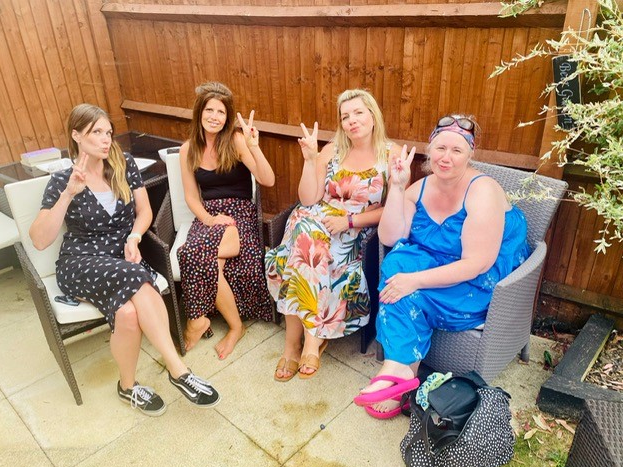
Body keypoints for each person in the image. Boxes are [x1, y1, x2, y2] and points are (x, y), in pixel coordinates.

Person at [30, 103, 220, 416]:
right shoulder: (62, 180)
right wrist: (68, 194)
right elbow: (39, 239)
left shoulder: (123, 165)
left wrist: (134, 237)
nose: (106, 140)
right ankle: (179, 371)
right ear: (76, 135)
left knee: (129, 314)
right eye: (96, 133)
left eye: (108, 132)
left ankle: (127, 387)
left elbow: (144, 212)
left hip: (123, 257)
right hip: (80, 264)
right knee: (137, 277)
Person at [353, 115, 531, 419]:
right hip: (442, 261)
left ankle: (398, 371)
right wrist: (397, 187)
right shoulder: (420, 187)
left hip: (479, 280)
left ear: (470, 154)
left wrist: (415, 281)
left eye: (457, 150)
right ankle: (400, 372)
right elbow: (389, 236)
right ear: (430, 149)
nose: (446, 157)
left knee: (405, 290)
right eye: (440, 148)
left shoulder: (482, 190)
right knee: (396, 264)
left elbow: (476, 264)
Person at [266, 89, 401, 381]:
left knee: (304, 249)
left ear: (373, 115)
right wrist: (309, 160)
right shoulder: (333, 150)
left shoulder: (392, 154)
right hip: (314, 221)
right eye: (345, 116)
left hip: (354, 231)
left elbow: (395, 209)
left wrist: (350, 221)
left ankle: (297, 343)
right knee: (305, 236)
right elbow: (308, 199)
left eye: (358, 113)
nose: (352, 121)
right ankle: (306, 342)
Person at [178, 82, 275, 359]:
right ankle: (234, 326)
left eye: (220, 112)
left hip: (239, 214)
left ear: (227, 117)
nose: (214, 117)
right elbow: (191, 196)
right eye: (209, 110)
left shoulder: (236, 141)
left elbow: (267, 180)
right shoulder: (188, 150)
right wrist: (209, 218)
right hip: (209, 216)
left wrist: (255, 147)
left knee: (194, 255)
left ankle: (198, 320)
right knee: (197, 254)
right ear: (199, 113)